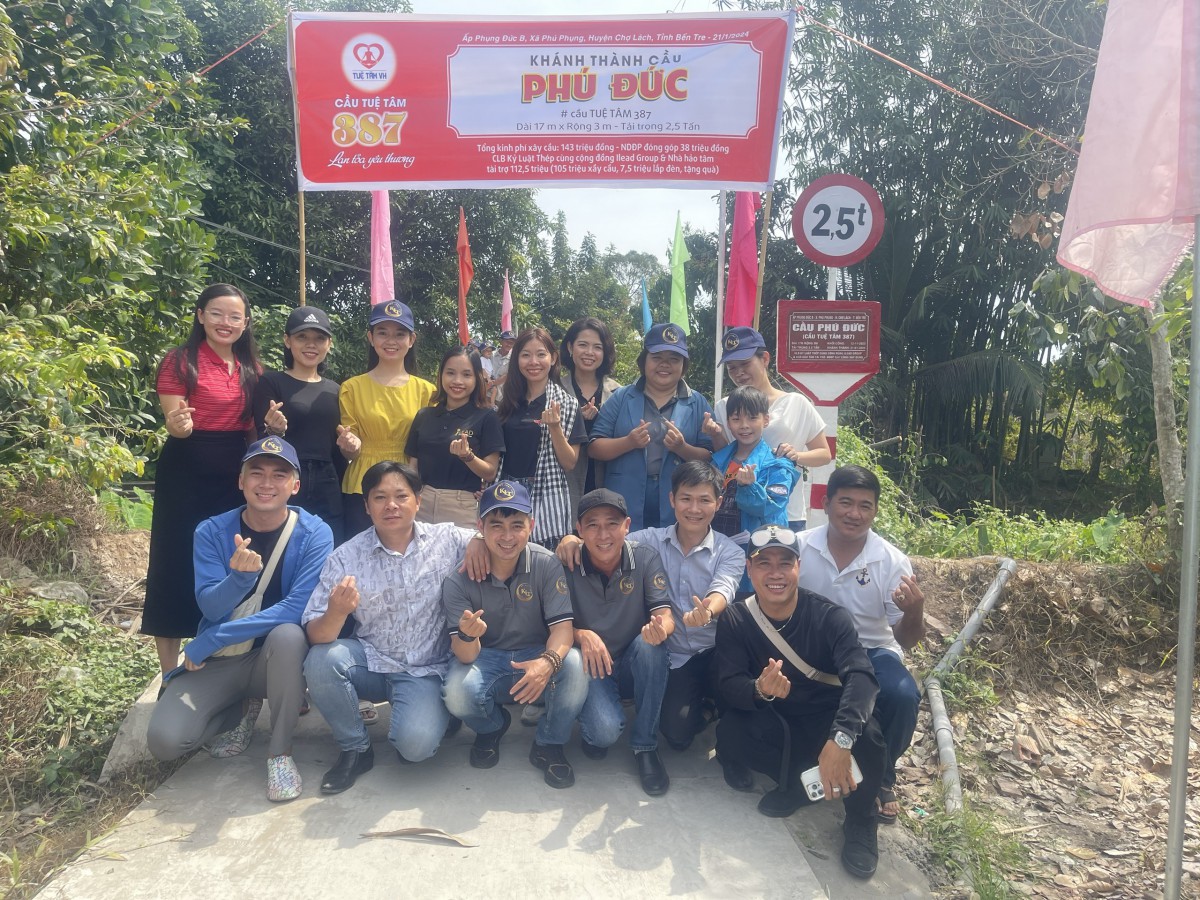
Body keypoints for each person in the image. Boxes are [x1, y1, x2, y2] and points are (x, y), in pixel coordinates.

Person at [147, 437, 333, 802]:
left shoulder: (315, 533)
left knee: (288, 635)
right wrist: (239, 580)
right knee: (165, 742)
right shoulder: (212, 531)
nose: (267, 483)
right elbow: (210, 607)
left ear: (295, 486)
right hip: (224, 661)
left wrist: (210, 639)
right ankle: (239, 711)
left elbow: (296, 608)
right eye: (257, 473)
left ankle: (280, 753)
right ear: (241, 481)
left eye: (279, 475)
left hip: (278, 661)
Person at [714, 525, 887, 880]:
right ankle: (798, 787)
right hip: (776, 716)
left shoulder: (829, 616)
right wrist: (759, 689)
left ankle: (860, 820)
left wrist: (841, 738)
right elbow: (728, 684)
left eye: (785, 563)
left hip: (825, 717)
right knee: (731, 733)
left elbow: (861, 676)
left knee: (868, 738)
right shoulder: (736, 618)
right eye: (764, 564)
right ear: (749, 569)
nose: (775, 573)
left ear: (799, 567)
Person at [301, 461, 483, 795]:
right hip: (371, 663)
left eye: (401, 496)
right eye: (380, 497)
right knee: (321, 660)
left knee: (415, 749)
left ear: (418, 500)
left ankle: (436, 709)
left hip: (424, 670)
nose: (391, 505)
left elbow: (499, 539)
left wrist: (479, 539)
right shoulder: (345, 557)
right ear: (366, 506)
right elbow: (317, 634)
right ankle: (355, 748)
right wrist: (336, 613)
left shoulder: (447, 539)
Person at [558, 460, 743, 753]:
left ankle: (715, 709)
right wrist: (570, 539)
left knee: (737, 692)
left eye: (704, 500)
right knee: (677, 735)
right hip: (675, 656)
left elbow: (724, 588)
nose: (694, 508)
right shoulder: (650, 542)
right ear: (672, 500)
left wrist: (707, 610)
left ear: (718, 503)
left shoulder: (730, 551)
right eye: (686, 498)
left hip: (713, 651)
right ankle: (695, 709)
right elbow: (606, 540)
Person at [144, 283, 262, 676]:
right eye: (216, 313)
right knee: (175, 562)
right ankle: (168, 673)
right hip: (186, 468)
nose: (225, 322)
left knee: (229, 560)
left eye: (234, 316)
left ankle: (215, 657)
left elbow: (252, 430)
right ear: (200, 316)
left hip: (233, 472)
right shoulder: (180, 361)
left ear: (245, 323)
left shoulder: (252, 369)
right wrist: (177, 425)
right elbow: (176, 422)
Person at [797, 465, 924, 826]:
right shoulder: (800, 547)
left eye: (865, 506)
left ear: (876, 511)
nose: (854, 513)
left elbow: (907, 640)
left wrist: (914, 610)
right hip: (812, 648)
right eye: (846, 502)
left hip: (871, 650)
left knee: (903, 695)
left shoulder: (891, 561)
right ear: (826, 504)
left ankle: (883, 776)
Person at [441, 481, 589, 789]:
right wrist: (467, 636)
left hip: (535, 652)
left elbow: (562, 630)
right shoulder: (458, 580)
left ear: (531, 526)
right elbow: (465, 656)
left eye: (517, 526)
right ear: (480, 527)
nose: (507, 537)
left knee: (574, 665)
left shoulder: (546, 564)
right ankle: (492, 727)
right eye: (496, 526)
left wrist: (546, 663)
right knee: (456, 691)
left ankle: (549, 742)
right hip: (487, 658)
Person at [564, 489, 674, 796]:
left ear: (627, 525)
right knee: (603, 733)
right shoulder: (567, 563)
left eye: (612, 523)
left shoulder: (645, 557)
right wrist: (581, 634)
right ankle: (593, 726)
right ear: (579, 529)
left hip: (630, 660)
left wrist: (659, 629)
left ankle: (645, 746)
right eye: (592, 525)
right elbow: (550, 625)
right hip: (592, 667)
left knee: (652, 647)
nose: (603, 535)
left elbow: (665, 615)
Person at [589, 323, 714, 531]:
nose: (665, 365)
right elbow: (594, 447)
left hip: (679, 499)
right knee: (628, 548)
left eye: (674, 359)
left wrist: (682, 448)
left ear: (683, 365)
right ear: (644, 361)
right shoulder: (621, 397)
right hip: (624, 496)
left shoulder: (697, 402)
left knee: (673, 547)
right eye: (657, 357)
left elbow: (711, 456)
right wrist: (628, 442)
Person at [708, 327, 831, 531]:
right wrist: (714, 435)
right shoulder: (724, 406)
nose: (739, 373)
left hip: (786, 512)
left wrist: (796, 456)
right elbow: (726, 456)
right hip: (736, 515)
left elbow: (824, 454)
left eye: (745, 364)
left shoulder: (796, 403)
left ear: (765, 359)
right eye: (732, 368)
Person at [337, 301, 435, 539]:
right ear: (371, 337)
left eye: (400, 334)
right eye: (383, 333)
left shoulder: (427, 391)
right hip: (363, 484)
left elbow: (432, 445)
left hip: (408, 484)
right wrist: (350, 445)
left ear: (411, 340)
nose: (391, 341)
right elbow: (350, 448)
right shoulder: (352, 388)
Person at [253, 306, 347, 544]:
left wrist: (351, 447)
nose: (311, 345)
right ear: (287, 340)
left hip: (328, 480)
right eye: (302, 337)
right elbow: (261, 440)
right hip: (285, 475)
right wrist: (274, 431)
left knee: (330, 546)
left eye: (319, 338)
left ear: (329, 344)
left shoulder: (336, 390)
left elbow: (338, 446)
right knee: (284, 544)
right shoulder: (271, 382)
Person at [496, 327, 586, 549]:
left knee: (543, 558)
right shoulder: (509, 401)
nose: (533, 362)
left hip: (545, 492)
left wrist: (555, 427)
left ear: (553, 358)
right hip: (507, 489)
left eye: (541, 354)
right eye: (526, 355)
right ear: (517, 359)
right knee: (507, 553)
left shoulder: (567, 404)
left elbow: (569, 462)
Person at [710, 386, 799, 593]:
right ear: (728, 423)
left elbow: (772, 506)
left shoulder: (778, 464)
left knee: (753, 602)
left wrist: (749, 487)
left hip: (758, 554)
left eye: (752, 418)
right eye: (736, 419)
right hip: (718, 552)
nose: (744, 426)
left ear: (765, 420)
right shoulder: (718, 461)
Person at [406, 346, 504, 527]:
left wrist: (468, 457)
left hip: (462, 507)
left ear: (477, 378)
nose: (457, 381)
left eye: (466, 375)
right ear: (441, 375)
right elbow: (412, 466)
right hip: (421, 504)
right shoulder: (424, 415)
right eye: (450, 373)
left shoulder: (487, 417)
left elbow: (490, 472)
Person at [560, 317, 622, 512]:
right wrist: (575, 418)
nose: (589, 352)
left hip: (607, 482)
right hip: (563, 485)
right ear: (570, 347)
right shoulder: (555, 389)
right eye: (583, 345)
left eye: (597, 347)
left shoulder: (618, 393)